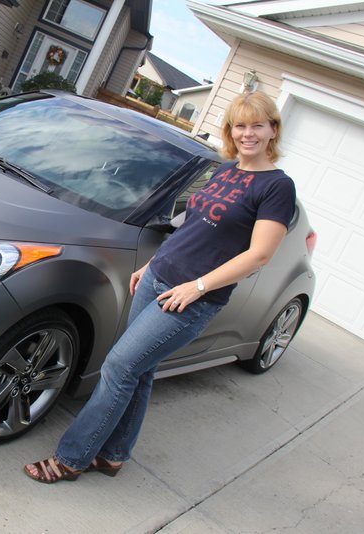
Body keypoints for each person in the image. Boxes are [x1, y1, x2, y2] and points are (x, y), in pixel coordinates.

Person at [24, 91, 297, 484]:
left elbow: (259, 255)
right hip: (158, 278)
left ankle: (71, 458)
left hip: (191, 298)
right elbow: (191, 228)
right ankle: (114, 455)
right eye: (240, 125)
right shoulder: (226, 170)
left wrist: (198, 287)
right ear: (230, 130)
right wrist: (151, 263)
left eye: (257, 125)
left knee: (119, 366)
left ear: (273, 129)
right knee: (140, 371)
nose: (248, 133)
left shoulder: (276, 187)